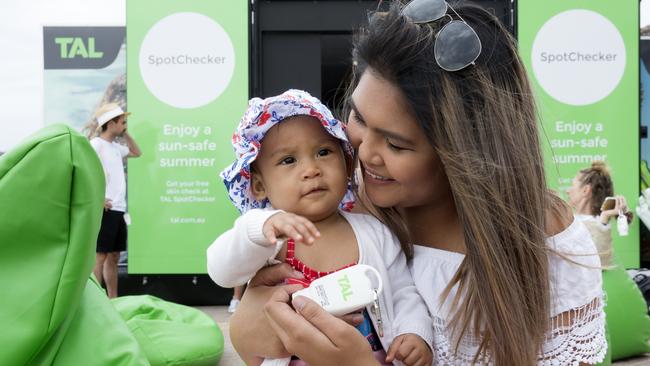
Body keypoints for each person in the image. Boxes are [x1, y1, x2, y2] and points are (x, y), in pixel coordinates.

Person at [230, 2, 607, 365]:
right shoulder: (341, 208)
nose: (364, 154)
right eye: (357, 117)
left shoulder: (541, 240)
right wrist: (255, 323)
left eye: (395, 144)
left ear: (467, 154)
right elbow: (252, 337)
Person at [207, 89, 433, 366]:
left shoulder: (375, 232)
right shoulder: (268, 238)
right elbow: (222, 271)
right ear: (259, 185)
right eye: (288, 160)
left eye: (323, 152)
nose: (311, 169)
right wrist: (259, 227)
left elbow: (403, 293)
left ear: (347, 162)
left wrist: (414, 331)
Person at [90, 102, 141, 298]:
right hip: (105, 209)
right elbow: (87, 172)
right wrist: (98, 199)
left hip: (119, 209)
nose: (125, 125)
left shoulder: (115, 148)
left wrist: (125, 133)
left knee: (113, 256)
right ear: (110, 123)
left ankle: (113, 299)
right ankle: (96, 298)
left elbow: (137, 152)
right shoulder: (95, 145)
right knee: (100, 256)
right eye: (122, 122)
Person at [567, 161, 633, 267]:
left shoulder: (598, 225)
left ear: (585, 190)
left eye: (572, 185)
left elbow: (600, 262)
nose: (568, 191)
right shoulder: (571, 220)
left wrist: (604, 219)